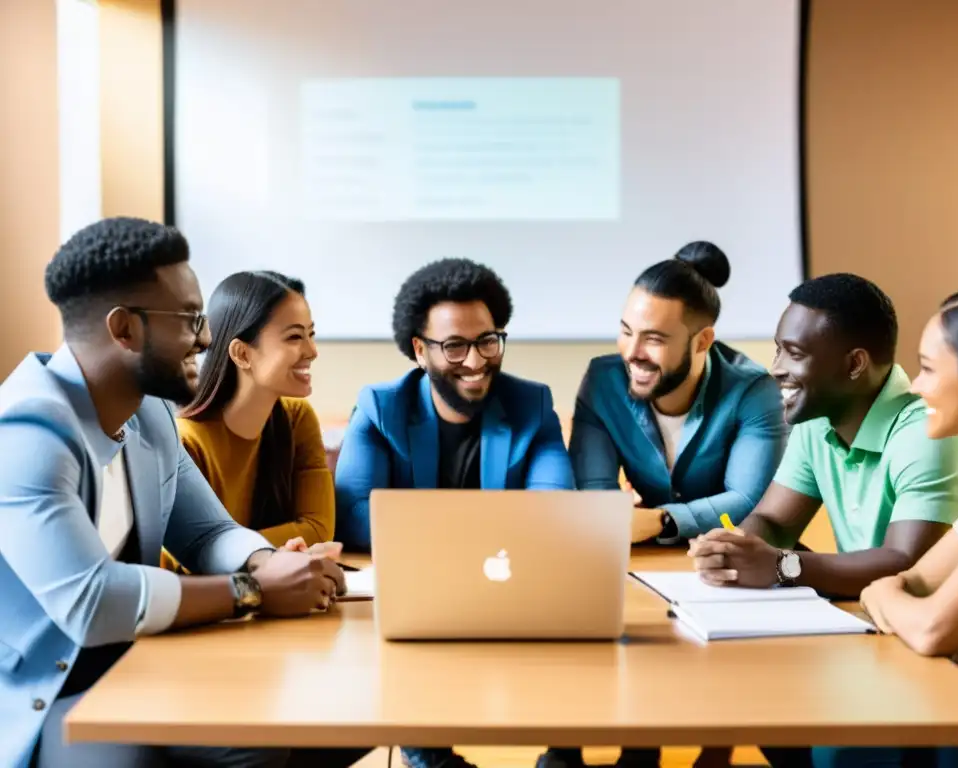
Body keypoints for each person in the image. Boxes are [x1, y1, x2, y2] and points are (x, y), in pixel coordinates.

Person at [0, 217, 360, 768]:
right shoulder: (28, 435)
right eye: (191, 319)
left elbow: (207, 531)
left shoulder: (151, 414)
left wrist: (271, 562)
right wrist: (254, 589)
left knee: (320, 727)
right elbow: (92, 603)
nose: (209, 337)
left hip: (140, 660)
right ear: (124, 329)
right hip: (50, 688)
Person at [690, 273, 958, 768]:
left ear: (854, 364)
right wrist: (736, 548)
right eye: (777, 350)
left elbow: (907, 564)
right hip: (873, 624)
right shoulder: (818, 416)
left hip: (943, 648)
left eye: (794, 353)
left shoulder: (926, 430)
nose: (776, 368)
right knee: (756, 698)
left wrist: (782, 567)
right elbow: (771, 517)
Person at [545, 243, 786, 768]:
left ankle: (716, 749)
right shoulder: (604, 379)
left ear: (703, 340)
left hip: (726, 550)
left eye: (653, 338)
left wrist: (657, 519)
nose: (633, 351)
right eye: (627, 331)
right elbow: (593, 486)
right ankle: (596, 747)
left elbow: (748, 499)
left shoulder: (753, 390)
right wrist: (614, 522)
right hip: (641, 554)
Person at [334, 257, 575, 768]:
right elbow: (354, 513)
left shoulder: (531, 404)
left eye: (488, 340)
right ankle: (431, 758)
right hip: (417, 600)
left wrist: (423, 528)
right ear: (420, 350)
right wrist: (481, 536)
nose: (475, 360)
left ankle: (562, 753)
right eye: (454, 346)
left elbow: (555, 509)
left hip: (515, 594)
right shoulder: (381, 406)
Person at [859, 284, 958, 767]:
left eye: (928, 369)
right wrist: (895, 597)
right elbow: (920, 581)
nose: (915, 387)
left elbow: (933, 629)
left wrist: (887, 598)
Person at [175, 270, 334, 550]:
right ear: (242, 354)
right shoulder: (187, 441)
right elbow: (185, 558)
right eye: (295, 337)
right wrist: (269, 550)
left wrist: (233, 548)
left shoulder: (297, 418)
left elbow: (319, 528)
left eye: (311, 334)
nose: (312, 350)